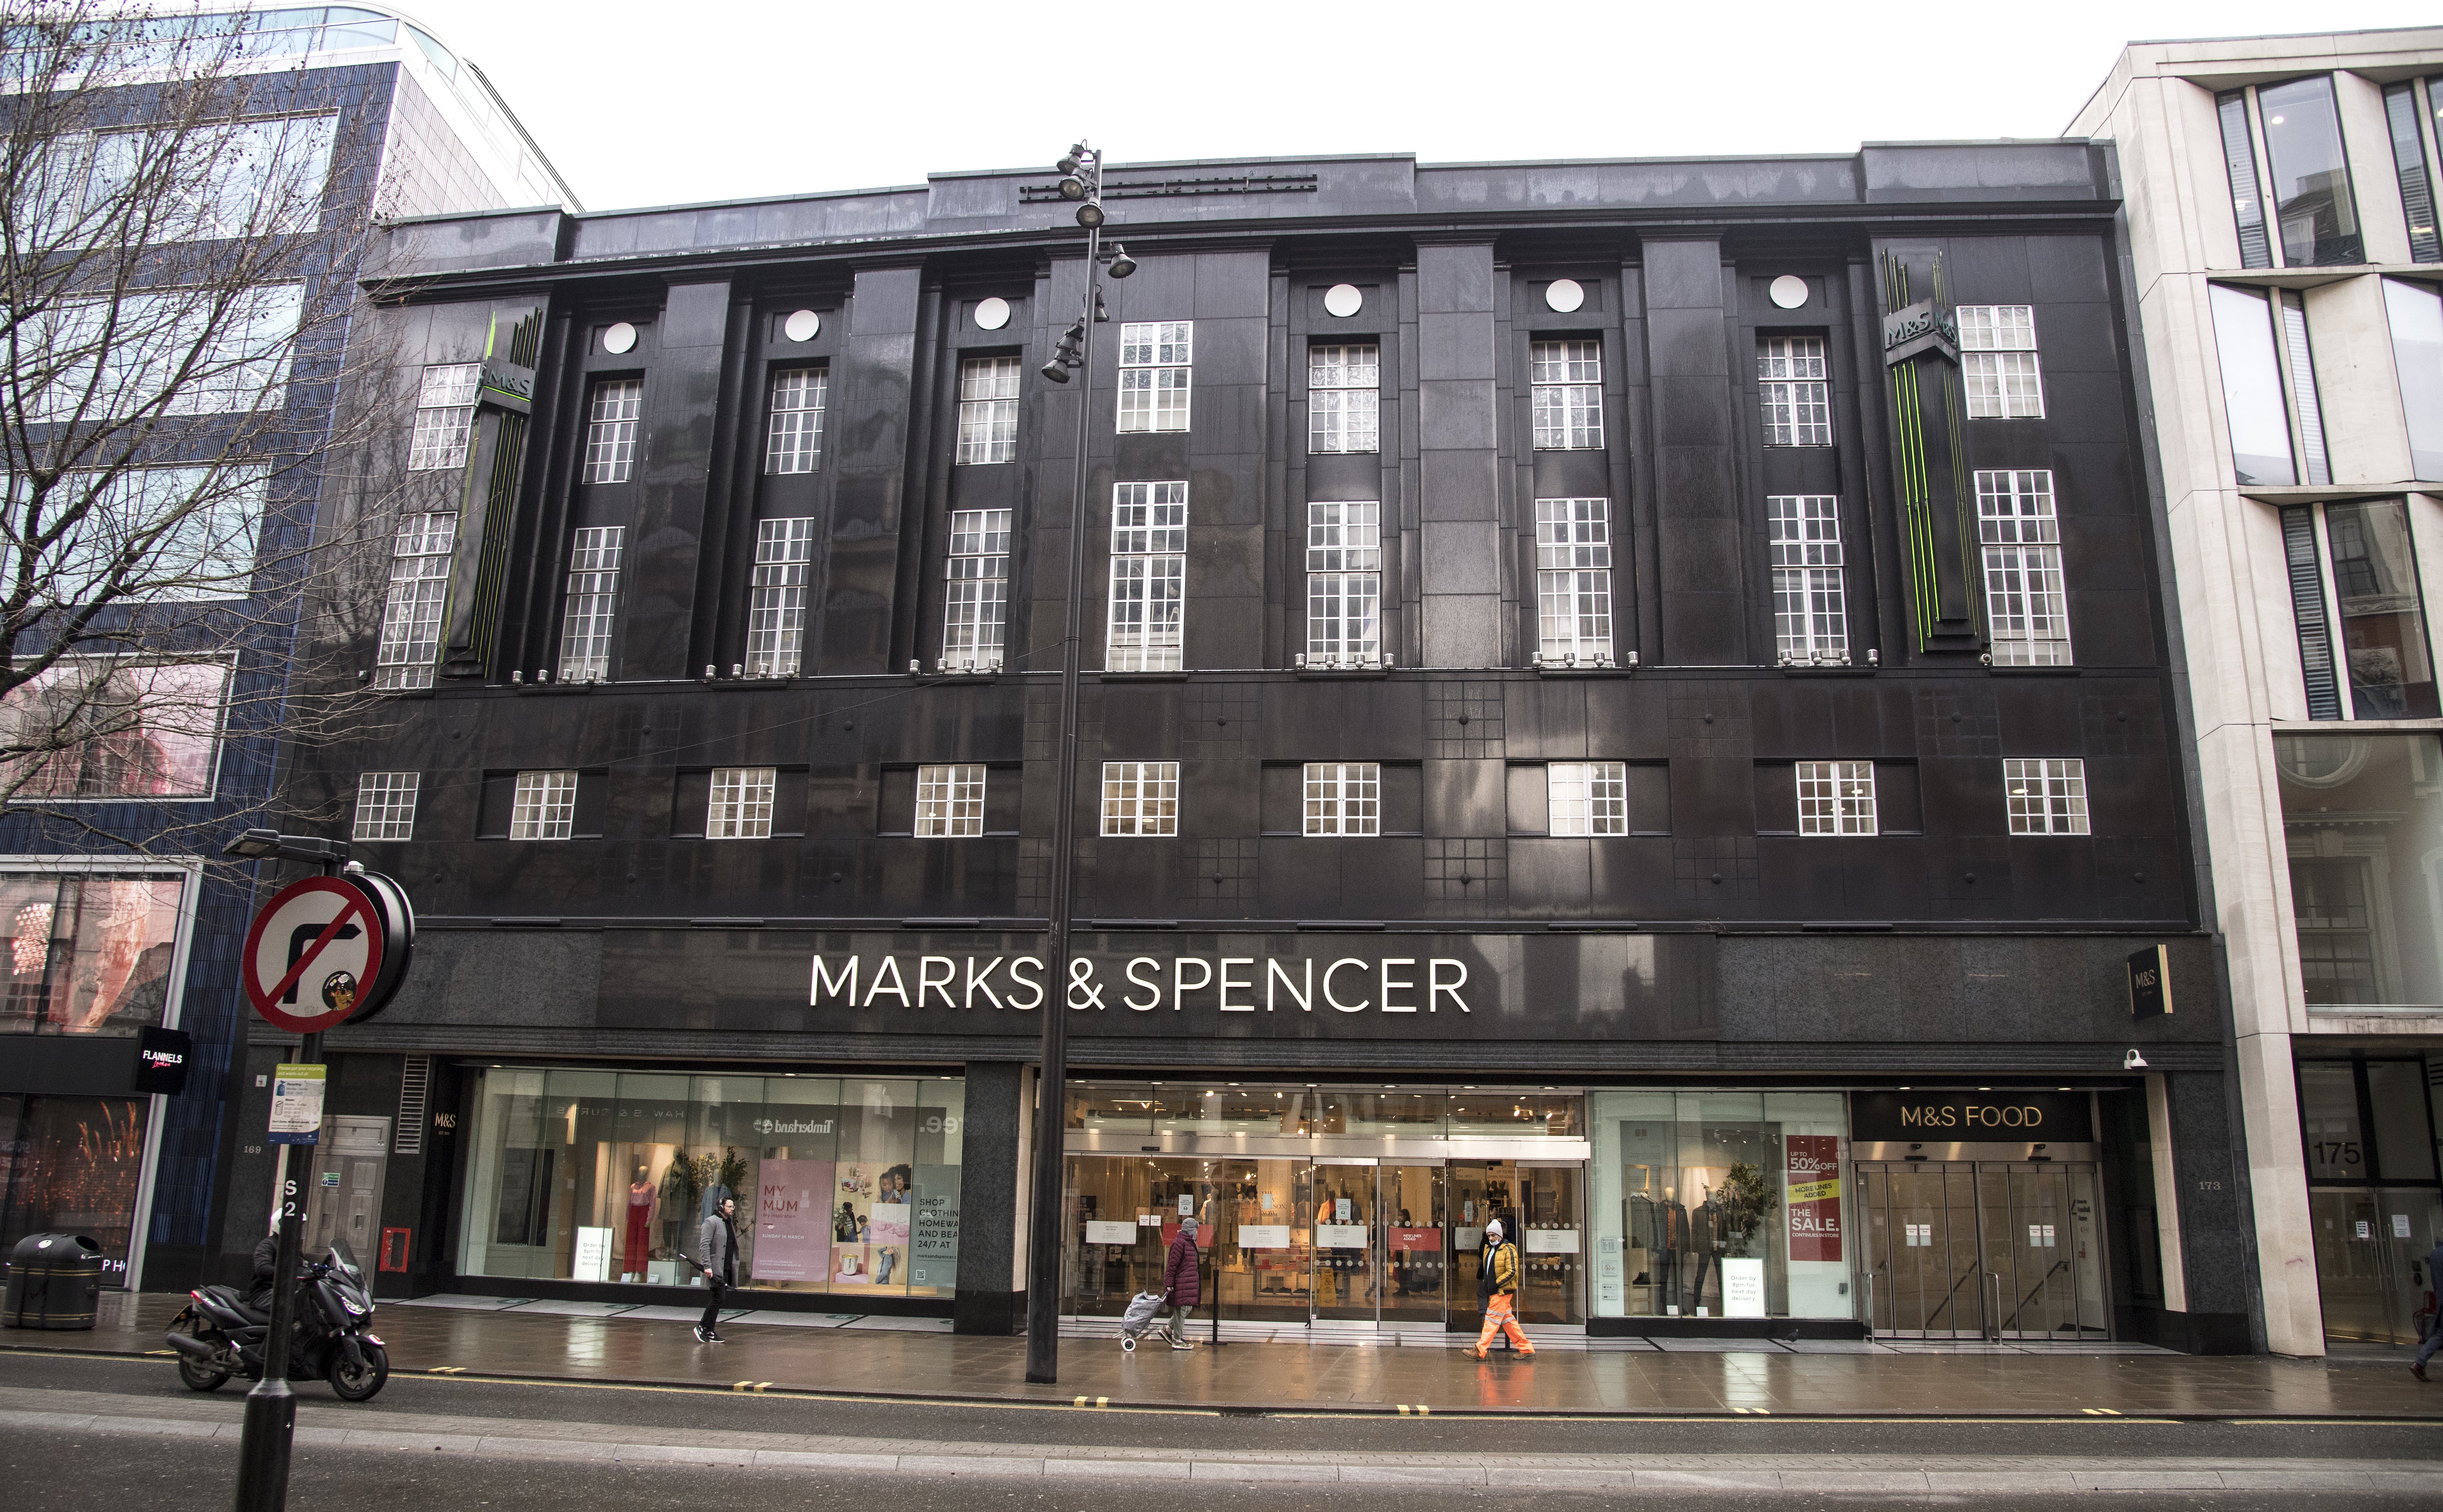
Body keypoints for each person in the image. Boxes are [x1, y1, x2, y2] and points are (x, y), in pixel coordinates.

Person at [1469, 1218, 1534, 1360]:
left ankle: (1480, 1350)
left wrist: (1497, 1283)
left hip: (1502, 1291)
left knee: (1491, 1320)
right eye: (1489, 1235)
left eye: (1494, 1235)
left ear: (1500, 1235)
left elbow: (1512, 1271)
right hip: (1494, 1290)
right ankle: (1526, 1348)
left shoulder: (1509, 1248)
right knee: (1508, 1320)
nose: (1491, 1238)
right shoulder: (1489, 1249)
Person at [694, 1195, 737, 1344]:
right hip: (715, 1268)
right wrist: (707, 1266)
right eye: (729, 1207)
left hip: (725, 1268)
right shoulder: (711, 1222)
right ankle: (702, 1327)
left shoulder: (728, 1223)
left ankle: (709, 1330)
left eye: (733, 1207)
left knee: (719, 1299)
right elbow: (704, 1245)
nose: (732, 1209)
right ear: (721, 1207)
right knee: (719, 1298)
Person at [1160, 1215, 1201, 1350]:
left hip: (1187, 1283)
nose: (1197, 1233)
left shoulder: (1189, 1243)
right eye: (1196, 1229)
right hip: (1181, 1284)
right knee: (1181, 1310)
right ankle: (1177, 1339)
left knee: (1186, 1308)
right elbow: (1172, 1266)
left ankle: (1168, 1329)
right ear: (1191, 1230)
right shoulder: (1180, 1244)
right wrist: (1169, 1284)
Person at [2415, 1235, 2443, 1381]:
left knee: (2440, 1335)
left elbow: (2434, 1280)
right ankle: (2419, 1363)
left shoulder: (2435, 1254)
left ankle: (2419, 1363)